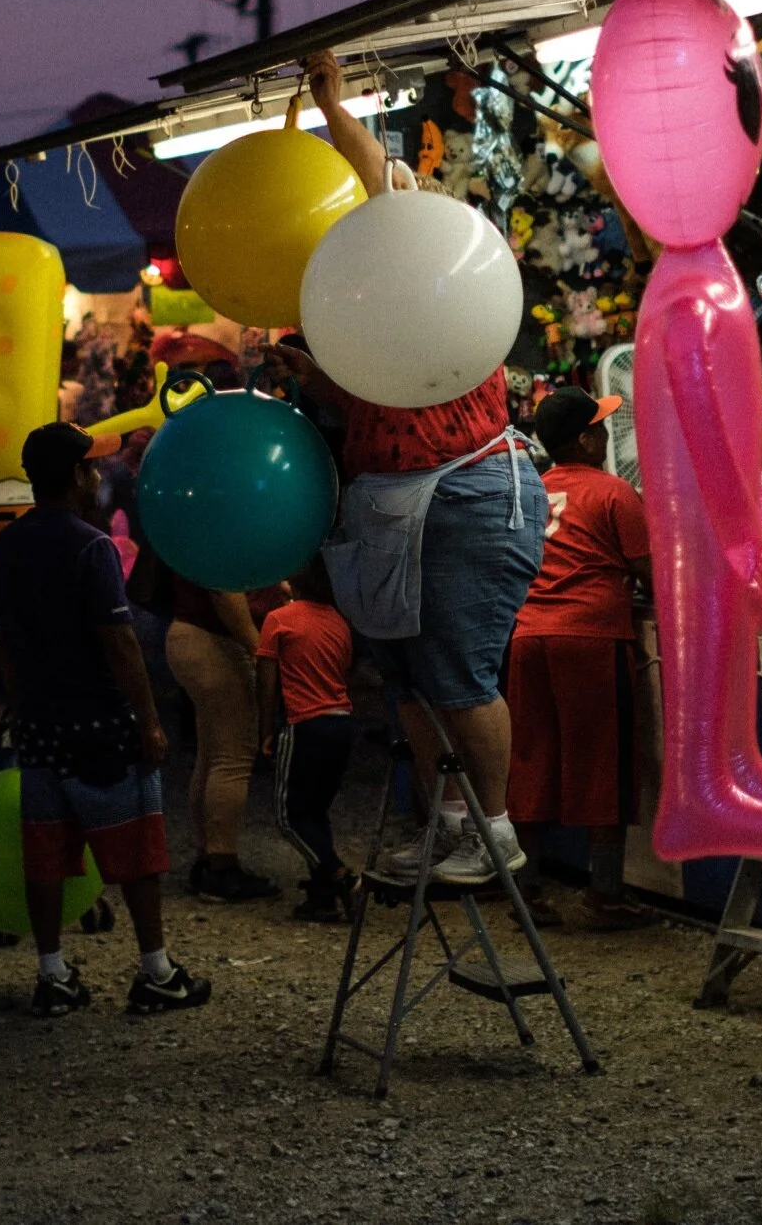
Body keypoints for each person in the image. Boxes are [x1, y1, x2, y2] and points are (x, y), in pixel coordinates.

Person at [274, 51, 546, 889]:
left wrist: (332, 104)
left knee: (459, 675)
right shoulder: (357, 300)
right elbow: (376, 400)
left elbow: (378, 177)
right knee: (411, 681)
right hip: (393, 500)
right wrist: (318, 381)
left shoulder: (429, 261)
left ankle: (496, 832)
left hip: (465, 486)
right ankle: (448, 823)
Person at [0, 423, 207, 1018]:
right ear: (75, 475)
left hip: (41, 729)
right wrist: (149, 722)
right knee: (136, 852)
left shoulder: (4, 547)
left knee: (46, 853)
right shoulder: (91, 546)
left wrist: (21, 708)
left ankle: (52, 973)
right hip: (101, 725)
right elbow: (120, 643)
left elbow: (3, 645)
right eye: (91, 467)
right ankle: (155, 969)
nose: (99, 476)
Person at [508, 388, 652, 931]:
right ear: (586, 439)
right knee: (604, 765)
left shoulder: (535, 491)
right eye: (601, 426)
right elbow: (650, 574)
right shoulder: (615, 493)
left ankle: (526, 891)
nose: (607, 433)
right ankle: (605, 894)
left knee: (531, 761)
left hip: (529, 635)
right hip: (591, 637)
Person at [168, 577, 278, 902]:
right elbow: (224, 588)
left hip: (187, 634)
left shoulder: (194, 529)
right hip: (214, 639)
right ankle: (222, 866)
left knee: (212, 754)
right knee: (233, 756)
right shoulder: (223, 533)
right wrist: (256, 647)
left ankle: (207, 857)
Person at [259, 563, 357, 922]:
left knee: (290, 817)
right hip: (342, 724)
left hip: (304, 724)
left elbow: (266, 680)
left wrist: (266, 729)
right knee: (317, 811)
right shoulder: (339, 621)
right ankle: (322, 896)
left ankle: (339, 876)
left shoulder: (279, 619)